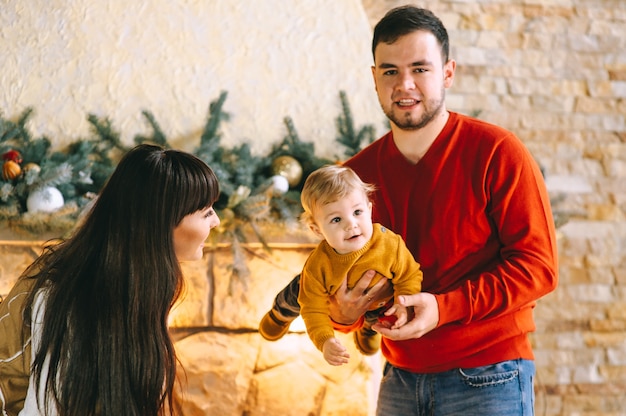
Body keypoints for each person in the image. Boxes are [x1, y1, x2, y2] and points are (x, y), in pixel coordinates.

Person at [259, 5, 558, 415]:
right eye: (390, 71)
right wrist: (343, 315)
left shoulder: (498, 152)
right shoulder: (352, 179)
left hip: (489, 376)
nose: (404, 84)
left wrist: (443, 308)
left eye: (420, 69)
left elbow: (538, 268)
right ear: (374, 77)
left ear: (448, 73)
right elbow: (339, 284)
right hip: (398, 378)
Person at [0, 144, 221, 416]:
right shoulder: (74, 292)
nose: (216, 222)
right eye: (207, 212)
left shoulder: (135, 280)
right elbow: (44, 411)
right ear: (161, 223)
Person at [278, 164, 422, 365]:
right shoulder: (319, 264)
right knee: (297, 292)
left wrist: (403, 305)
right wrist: (325, 340)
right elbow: (313, 308)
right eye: (336, 219)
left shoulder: (389, 244)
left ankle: (368, 330)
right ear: (318, 230)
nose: (351, 224)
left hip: (379, 303)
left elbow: (409, 275)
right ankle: (278, 314)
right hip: (331, 301)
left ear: (370, 210)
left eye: (357, 212)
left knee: (381, 312)